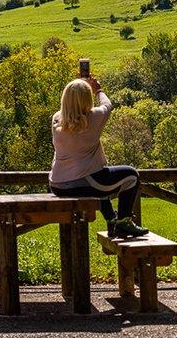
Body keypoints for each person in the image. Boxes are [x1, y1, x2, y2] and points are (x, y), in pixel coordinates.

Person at [49, 76, 149, 238]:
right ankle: (123, 222)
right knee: (131, 175)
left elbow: (72, 109)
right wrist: (98, 90)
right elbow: (108, 105)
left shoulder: (56, 119)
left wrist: (78, 89)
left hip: (57, 184)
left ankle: (111, 220)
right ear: (87, 99)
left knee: (99, 179)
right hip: (82, 182)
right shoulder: (93, 117)